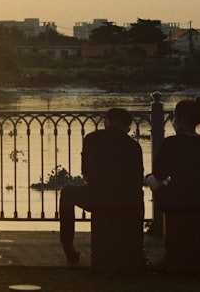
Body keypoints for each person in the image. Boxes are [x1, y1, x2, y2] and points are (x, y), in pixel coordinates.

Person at [59, 107, 144, 264]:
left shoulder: (91, 139)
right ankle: (138, 247)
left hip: (97, 198)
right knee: (139, 196)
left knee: (67, 193)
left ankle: (67, 245)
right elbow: (138, 180)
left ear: (107, 122)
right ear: (127, 128)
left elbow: (86, 173)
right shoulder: (134, 146)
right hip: (127, 201)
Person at [146, 96, 200, 212]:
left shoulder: (171, 142)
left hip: (177, 200)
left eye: (175, 117)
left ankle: (160, 224)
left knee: (150, 179)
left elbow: (159, 174)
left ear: (181, 120)